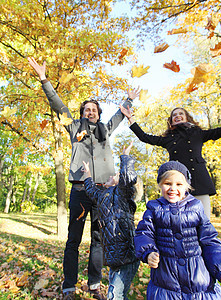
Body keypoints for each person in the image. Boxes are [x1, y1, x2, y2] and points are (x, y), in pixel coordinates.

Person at [27, 57, 139, 300]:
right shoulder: (74, 128)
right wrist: (44, 79)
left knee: (98, 240)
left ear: (98, 114)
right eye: (87, 109)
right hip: (80, 190)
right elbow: (58, 105)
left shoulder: (105, 131)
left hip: (104, 193)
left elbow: (120, 115)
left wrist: (129, 99)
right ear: (82, 114)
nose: (91, 112)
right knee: (73, 241)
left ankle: (94, 284)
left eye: (94, 110)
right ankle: (69, 287)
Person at [120, 102, 221, 219]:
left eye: (180, 114)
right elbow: (144, 137)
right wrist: (130, 119)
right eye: (174, 115)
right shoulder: (168, 138)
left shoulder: (198, 133)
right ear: (171, 122)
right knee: (179, 220)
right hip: (178, 185)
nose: (177, 116)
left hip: (200, 181)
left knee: (204, 221)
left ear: (187, 118)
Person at [134, 160, 221, 299]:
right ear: (160, 185)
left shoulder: (196, 207)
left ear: (186, 186)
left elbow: (210, 242)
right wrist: (148, 252)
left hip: (199, 280)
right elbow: (144, 233)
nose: (173, 188)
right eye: (167, 184)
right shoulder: (154, 208)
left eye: (179, 184)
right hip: (166, 281)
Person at [81, 141, 140, 300]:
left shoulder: (121, 194)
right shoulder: (102, 195)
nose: (110, 175)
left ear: (120, 181)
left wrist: (125, 157)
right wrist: (87, 173)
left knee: (115, 295)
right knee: (118, 294)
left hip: (127, 256)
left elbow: (127, 177)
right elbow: (91, 190)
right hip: (114, 257)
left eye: (115, 175)